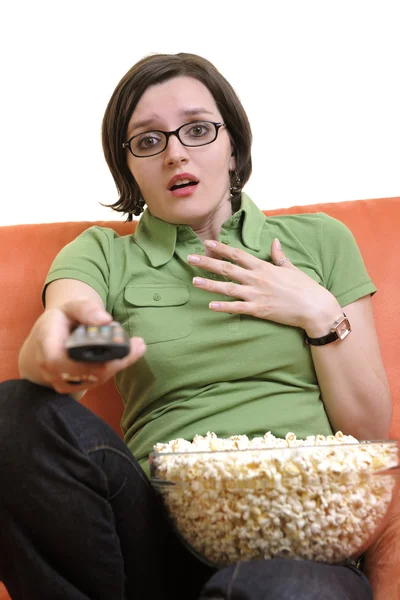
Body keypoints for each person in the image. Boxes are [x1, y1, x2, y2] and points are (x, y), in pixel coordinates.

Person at [0, 52, 392, 600]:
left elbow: (371, 435)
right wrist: (70, 344)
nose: (175, 153)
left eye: (198, 130)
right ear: (129, 166)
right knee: (13, 412)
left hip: (299, 532)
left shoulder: (319, 242)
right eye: (148, 140)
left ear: (233, 144)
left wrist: (318, 312)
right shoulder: (105, 256)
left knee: (269, 588)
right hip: (153, 541)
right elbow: (63, 325)